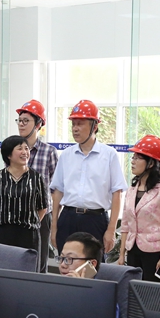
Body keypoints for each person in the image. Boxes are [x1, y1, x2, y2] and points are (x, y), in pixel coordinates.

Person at [49, 99, 127, 255]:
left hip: (95, 220)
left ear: (94, 126)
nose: (75, 129)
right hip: (68, 218)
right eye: (73, 124)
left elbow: (117, 193)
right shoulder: (66, 155)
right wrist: (54, 227)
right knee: (66, 263)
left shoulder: (109, 155)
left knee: (93, 265)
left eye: (80, 124)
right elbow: (57, 193)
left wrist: (111, 229)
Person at [118, 135, 160, 283]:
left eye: (138, 158)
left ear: (151, 163)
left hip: (156, 252)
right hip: (133, 250)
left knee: (154, 293)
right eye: (133, 157)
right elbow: (125, 224)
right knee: (133, 291)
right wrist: (121, 254)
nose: (133, 161)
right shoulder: (132, 189)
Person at [0, 135, 47, 265]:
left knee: (28, 269)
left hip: (29, 233)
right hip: (4, 232)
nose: (25, 152)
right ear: (8, 155)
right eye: (20, 149)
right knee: (3, 268)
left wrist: (30, 222)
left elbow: (42, 207)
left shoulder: (36, 178)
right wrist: (4, 222)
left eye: (26, 148)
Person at [17, 100, 58, 273]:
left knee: (39, 262)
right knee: (17, 260)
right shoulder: (13, 150)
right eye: (19, 120)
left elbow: (56, 188)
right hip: (17, 215)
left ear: (38, 124)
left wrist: (55, 219)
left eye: (26, 120)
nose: (21, 124)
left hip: (41, 215)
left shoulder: (49, 152)